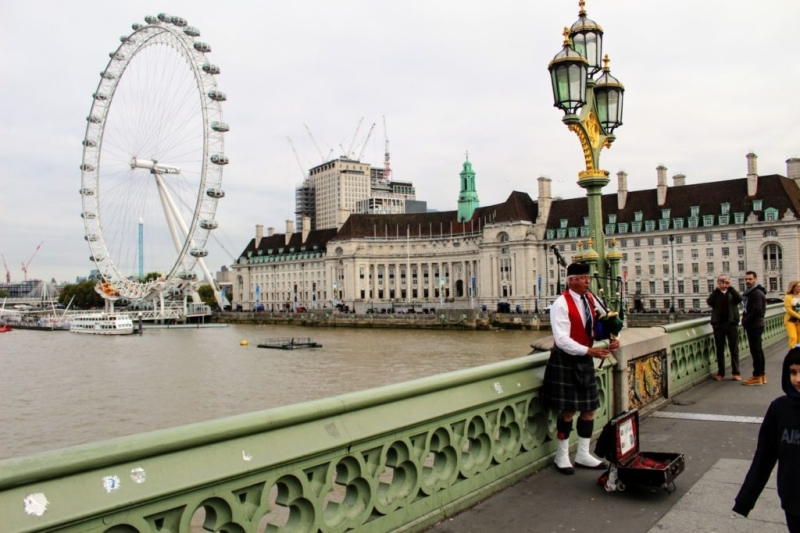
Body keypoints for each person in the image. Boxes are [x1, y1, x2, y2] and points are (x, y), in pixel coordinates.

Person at [542, 262, 620, 475]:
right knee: (567, 411)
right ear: (571, 280)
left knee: (589, 409)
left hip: (584, 358)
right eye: (583, 278)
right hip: (565, 359)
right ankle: (562, 455)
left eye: (588, 278)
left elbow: (610, 321)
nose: (587, 282)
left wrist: (615, 339)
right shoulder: (561, 304)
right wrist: (589, 351)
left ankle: (584, 454)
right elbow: (562, 339)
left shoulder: (591, 299)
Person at [733, 348, 800, 532]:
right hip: (792, 502)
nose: (797, 379)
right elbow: (764, 457)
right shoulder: (779, 409)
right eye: (793, 372)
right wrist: (745, 500)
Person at [707, 273, 743, 381]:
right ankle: (720, 373)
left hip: (732, 324)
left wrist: (730, 287)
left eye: (725, 281)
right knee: (720, 350)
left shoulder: (731, 293)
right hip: (719, 326)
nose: (723, 283)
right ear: (718, 282)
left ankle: (736, 372)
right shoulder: (716, 294)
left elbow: (739, 299)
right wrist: (716, 290)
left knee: (734, 350)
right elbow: (709, 302)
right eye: (721, 281)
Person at [741, 271, 767, 386]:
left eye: (750, 279)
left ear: (755, 279)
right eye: (746, 279)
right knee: (758, 351)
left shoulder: (756, 293)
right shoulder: (753, 292)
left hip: (754, 325)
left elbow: (757, 310)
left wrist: (745, 320)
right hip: (756, 324)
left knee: (756, 351)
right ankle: (761, 375)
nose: (747, 281)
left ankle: (757, 376)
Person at [784, 281, 800, 349]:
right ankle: (793, 355)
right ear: (793, 287)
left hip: (799, 321)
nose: (799, 288)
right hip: (791, 320)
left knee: (799, 338)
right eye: (798, 286)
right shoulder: (788, 297)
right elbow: (789, 310)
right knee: (793, 337)